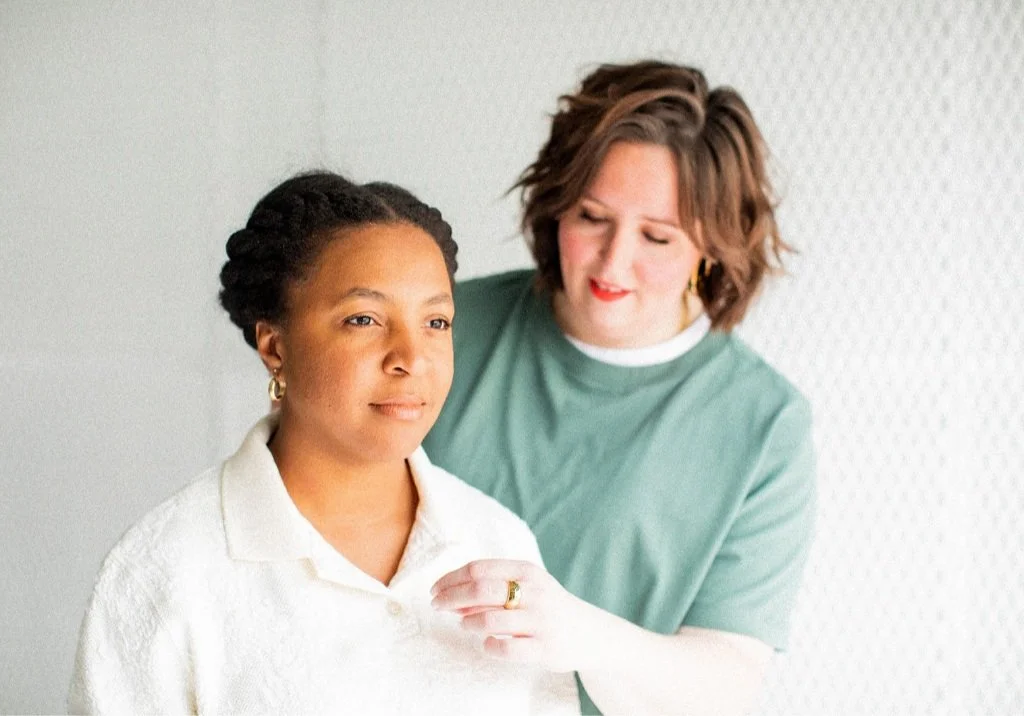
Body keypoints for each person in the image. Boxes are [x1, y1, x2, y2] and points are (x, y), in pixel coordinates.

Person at [68, 172, 579, 714]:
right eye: (364, 319)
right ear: (275, 346)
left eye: (435, 321)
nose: (411, 356)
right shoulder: (164, 571)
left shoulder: (497, 540)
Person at [424, 60, 817, 715]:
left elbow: (725, 680)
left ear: (711, 248)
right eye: (592, 217)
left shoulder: (763, 424)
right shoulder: (444, 329)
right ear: (554, 207)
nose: (613, 262)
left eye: (657, 236)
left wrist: (576, 633)